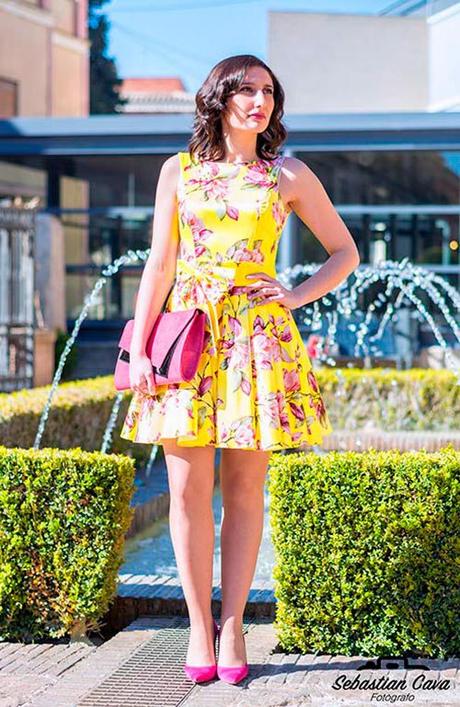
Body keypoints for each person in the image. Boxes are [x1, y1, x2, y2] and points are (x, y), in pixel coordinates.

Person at [119, 54, 360, 685]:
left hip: (257, 342)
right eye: (247, 90)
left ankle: (234, 629)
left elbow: (344, 252)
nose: (260, 101)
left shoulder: (288, 173)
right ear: (220, 97)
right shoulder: (179, 173)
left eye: (269, 92)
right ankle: (199, 626)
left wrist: (292, 294)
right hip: (188, 340)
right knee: (187, 491)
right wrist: (140, 346)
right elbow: (160, 265)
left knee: (246, 491)